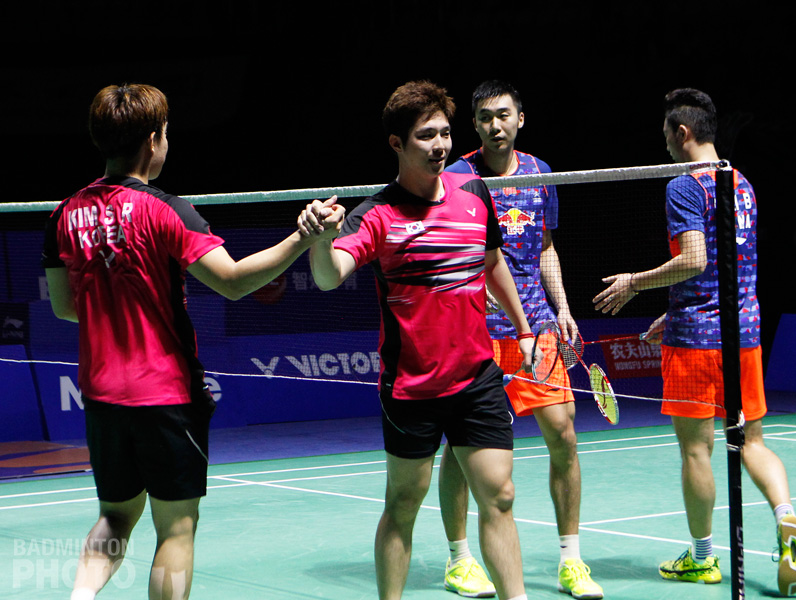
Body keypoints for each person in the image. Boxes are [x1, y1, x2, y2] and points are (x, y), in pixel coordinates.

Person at [42, 83, 342, 600]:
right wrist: (304, 237)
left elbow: (65, 306)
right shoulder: (167, 210)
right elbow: (233, 281)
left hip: (102, 396)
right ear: (152, 140)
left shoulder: (64, 213)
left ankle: (80, 596)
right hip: (165, 394)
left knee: (115, 515)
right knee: (176, 527)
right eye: (165, 133)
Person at [302, 80, 532, 600]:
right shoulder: (376, 214)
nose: (440, 145)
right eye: (426, 135)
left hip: (476, 377)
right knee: (404, 504)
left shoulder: (474, 195)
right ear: (397, 143)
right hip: (412, 388)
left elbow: (492, 263)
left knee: (499, 496)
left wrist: (523, 328)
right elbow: (329, 275)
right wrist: (320, 241)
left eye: (445, 133)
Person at [593, 88, 796, 596]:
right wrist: (674, 310)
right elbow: (726, 267)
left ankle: (703, 557)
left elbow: (694, 259)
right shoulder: (741, 183)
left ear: (682, 132)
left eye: (667, 135)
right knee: (752, 442)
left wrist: (634, 283)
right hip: (744, 334)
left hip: (696, 344)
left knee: (697, 450)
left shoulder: (685, 187)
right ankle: (787, 518)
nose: (665, 144)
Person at [440, 80, 603, 600]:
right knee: (461, 449)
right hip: (474, 331)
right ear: (475, 124)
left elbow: (545, 247)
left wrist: (563, 306)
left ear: (520, 119)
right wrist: (468, 283)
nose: (496, 125)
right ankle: (459, 560)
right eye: (486, 117)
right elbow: (443, 245)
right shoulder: (457, 177)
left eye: (504, 115)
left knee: (564, 435)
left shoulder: (539, 173)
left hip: (536, 324)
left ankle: (571, 560)